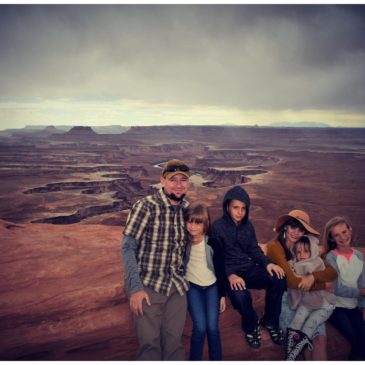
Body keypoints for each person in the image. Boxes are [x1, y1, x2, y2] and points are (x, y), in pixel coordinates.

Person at [121, 159, 191, 360]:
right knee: (149, 347)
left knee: (175, 345)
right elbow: (127, 248)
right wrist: (135, 288)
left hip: (177, 289)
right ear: (162, 181)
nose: (178, 184)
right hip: (149, 286)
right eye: (173, 180)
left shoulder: (187, 209)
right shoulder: (146, 206)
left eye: (183, 180)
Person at [211, 185, 286, 349]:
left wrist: (268, 263)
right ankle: (251, 324)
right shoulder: (217, 227)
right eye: (236, 208)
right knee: (239, 296)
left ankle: (271, 321)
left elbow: (253, 249)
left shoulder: (247, 225)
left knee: (278, 278)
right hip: (229, 272)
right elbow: (216, 258)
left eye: (243, 208)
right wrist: (230, 275)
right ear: (227, 207)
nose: (240, 212)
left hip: (249, 268)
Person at [265, 209, 338, 360]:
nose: (296, 232)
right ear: (285, 226)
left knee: (319, 340)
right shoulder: (275, 247)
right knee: (300, 342)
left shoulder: (303, 246)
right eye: (293, 227)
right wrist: (323, 286)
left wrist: (313, 276)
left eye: (301, 229)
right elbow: (292, 282)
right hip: (287, 299)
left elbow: (331, 271)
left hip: (311, 298)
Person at [184, 203, 228, 360]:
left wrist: (222, 294)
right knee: (200, 327)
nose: (193, 226)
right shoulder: (183, 243)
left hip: (212, 288)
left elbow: (221, 270)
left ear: (205, 223)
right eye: (189, 221)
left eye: (198, 222)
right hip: (192, 288)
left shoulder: (213, 243)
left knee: (212, 328)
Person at [285, 235, 335, 360]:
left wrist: (313, 278)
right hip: (307, 302)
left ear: (312, 251)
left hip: (325, 304)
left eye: (306, 251)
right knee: (296, 322)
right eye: (298, 252)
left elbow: (332, 275)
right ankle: (290, 352)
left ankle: (297, 350)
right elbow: (294, 281)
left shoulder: (318, 263)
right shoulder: (293, 265)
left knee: (310, 325)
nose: (301, 255)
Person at [324, 216, 365, 360]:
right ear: (331, 239)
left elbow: (362, 284)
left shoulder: (359, 256)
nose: (342, 237)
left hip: (353, 307)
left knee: (362, 338)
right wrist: (360, 292)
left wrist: (363, 307)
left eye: (344, 231)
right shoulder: (331, 258)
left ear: (350, 230)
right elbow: (335, 288)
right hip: (335, 307)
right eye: (337, 235)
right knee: (356, 340)